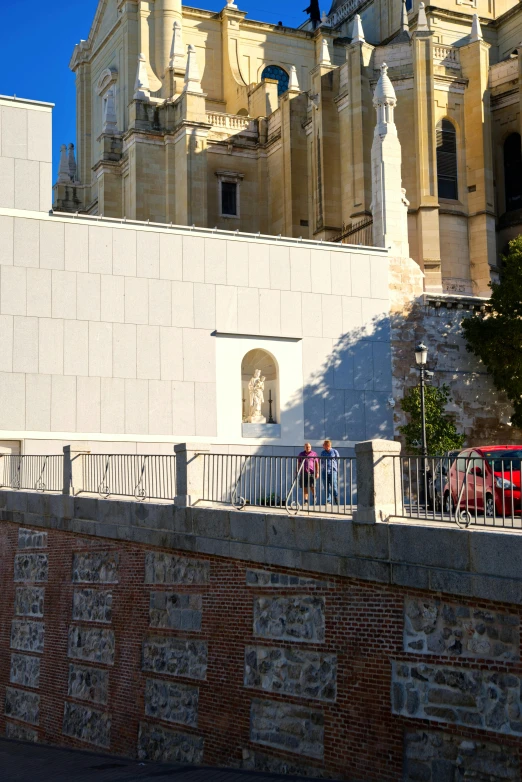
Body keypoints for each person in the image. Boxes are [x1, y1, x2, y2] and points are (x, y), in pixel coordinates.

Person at [320, 439, 339, 504]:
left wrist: (336, 468)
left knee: (334, 484)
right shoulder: (323, 452)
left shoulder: (334, 451)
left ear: (328, 445)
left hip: (332, 470)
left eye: (324, 445)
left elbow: (337, 460)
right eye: (323, 445)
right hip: (324, 470)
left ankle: (336, 496)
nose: (323, 446)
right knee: (326, 485)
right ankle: (328, 500)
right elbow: (321, 461)